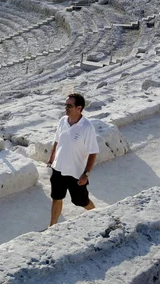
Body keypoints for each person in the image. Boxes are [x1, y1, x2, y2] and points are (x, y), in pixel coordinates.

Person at [47, 93, 99, 226]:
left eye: (69, 105)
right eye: (65, 105)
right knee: (56, 198)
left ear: (79, 108)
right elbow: (57, 141)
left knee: (81, 201)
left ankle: (99, 216)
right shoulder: (62, 121)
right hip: (58, 168)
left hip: (76, 173)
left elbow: (93, 152)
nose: (66, 108)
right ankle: (52, 226)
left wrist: (86, 174)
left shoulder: (87, 127)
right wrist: (52, 159)